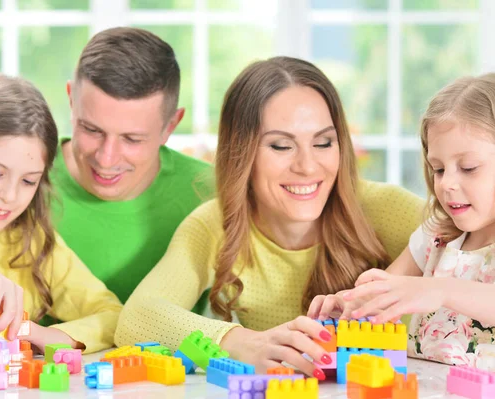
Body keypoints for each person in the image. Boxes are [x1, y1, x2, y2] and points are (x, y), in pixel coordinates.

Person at [115, 57, 424, 379]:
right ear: (242, 151)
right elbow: (136, 317)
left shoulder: (385, 207)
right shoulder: (216, 225)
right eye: (280, 146)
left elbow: (479, 248)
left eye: (323, 142)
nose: (307, 166)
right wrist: (243, 342)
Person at [310, 73, 495, 393]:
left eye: (468, 167)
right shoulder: (435, 237)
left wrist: (442, 289)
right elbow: (384, 296)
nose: (445, 183)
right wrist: (350, 310)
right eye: (438, 168)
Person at [0, 74, 122, 353]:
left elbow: (113, 315)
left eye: (28, 181)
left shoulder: (32, 242)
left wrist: (43, 335)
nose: (9, 196)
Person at [51, 27, 213, 305]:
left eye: (132, 139)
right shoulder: (20, 182)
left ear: (170, 126)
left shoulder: (211, 193)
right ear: (70, 99)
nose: (106, 158)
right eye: (91, 129)